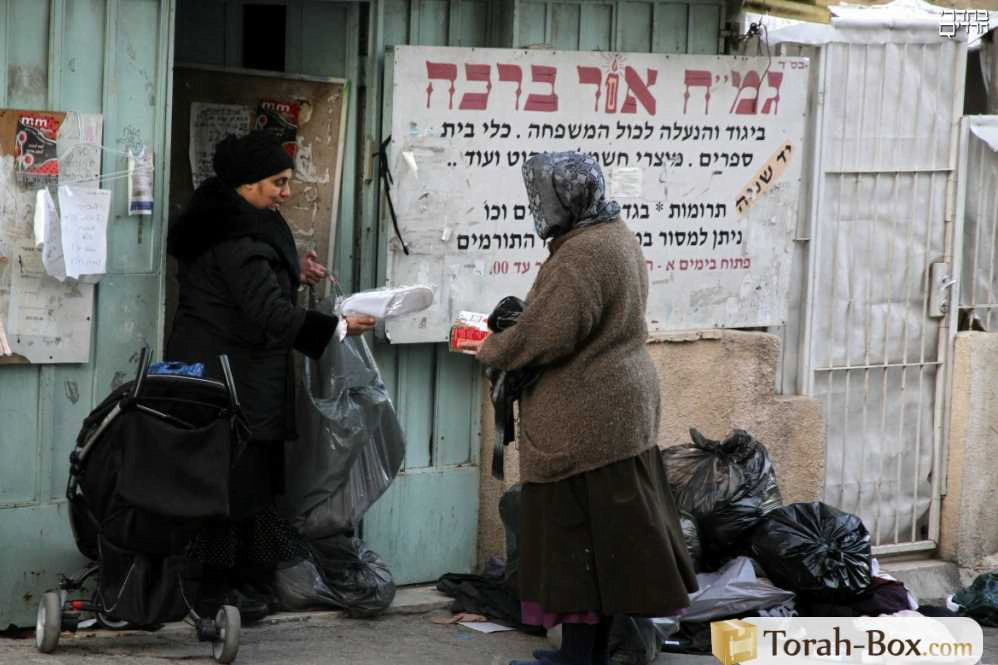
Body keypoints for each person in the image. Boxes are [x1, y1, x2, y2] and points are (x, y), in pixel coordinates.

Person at [472, 152, 698, 665]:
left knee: (576, 551)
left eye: (545, 197)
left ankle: (578, 658)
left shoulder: (582, 255)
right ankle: (587, 654)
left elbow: (547, 334)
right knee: (605, 551)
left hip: (587, 426)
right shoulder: (612, 234)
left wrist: (489, 348)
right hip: (618, 416)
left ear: (568, 198)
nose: (540, 207)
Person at [165, 130, 375, 621]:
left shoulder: (220, 219)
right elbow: (270, 315)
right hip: (232, 384)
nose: (286, 191)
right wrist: (341, 325)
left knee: (242, 486)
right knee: (234, 489)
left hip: (215, 375)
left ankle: (242, 584)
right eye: (278, 182)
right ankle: (217, 594)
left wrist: (291, 270)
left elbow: (247, 285)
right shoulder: (239, 238)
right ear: (247, 184)